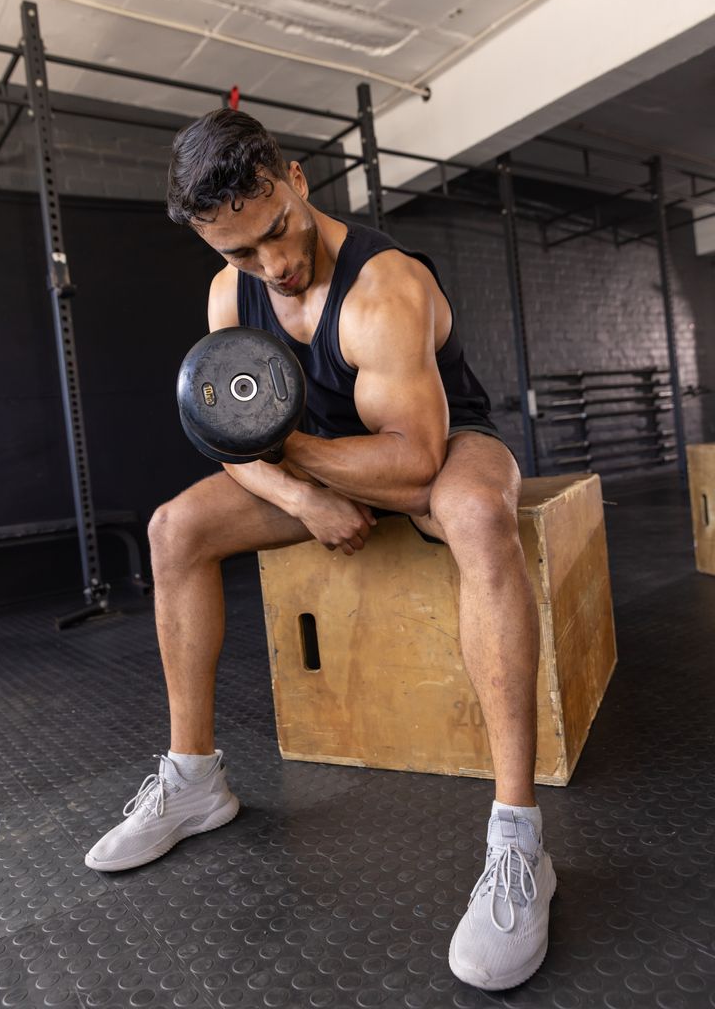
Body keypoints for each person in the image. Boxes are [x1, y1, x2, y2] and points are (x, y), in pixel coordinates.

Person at [84, 108, 556, 991]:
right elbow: (230, 436)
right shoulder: (234, 293)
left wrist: (284, 451)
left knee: (479, 517)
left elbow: (414, 465)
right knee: (172, 529)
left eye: (277, 232)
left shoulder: (386, 287)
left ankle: (519, 843)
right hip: (318, 464)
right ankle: (193, 781)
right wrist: (300, 493)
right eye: (239, 253)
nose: (274, 266)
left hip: (438, 442)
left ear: (297, 181)